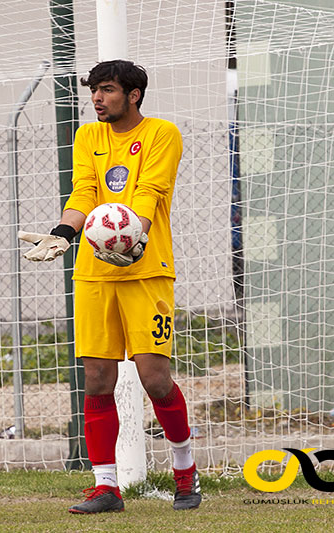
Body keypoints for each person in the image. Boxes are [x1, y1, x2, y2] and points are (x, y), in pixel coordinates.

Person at [18, 60, 201, 513]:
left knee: (154, 378)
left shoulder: (162, 134)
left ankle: (185, 471)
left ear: (133, 94)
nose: (97, 99)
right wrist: (63, 233)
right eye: (94, 91)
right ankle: (106, 487)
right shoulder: (88, 136)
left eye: (107, 90)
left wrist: (131, 233)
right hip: (95, 273)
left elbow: (151, 194)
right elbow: (84, 192)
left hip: (146, 271)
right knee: (97, 378)